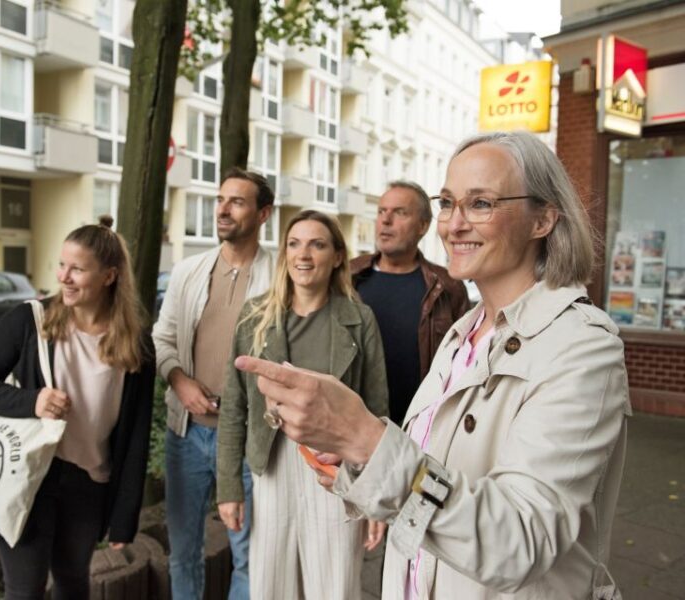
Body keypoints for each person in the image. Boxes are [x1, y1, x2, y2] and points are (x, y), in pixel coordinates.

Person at [233, 132, 631, 599]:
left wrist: (368, 440)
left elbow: (520, 541)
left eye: (480, 203)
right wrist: (358, 460)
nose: (454, 224)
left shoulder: (583, 347)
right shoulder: (465, 332)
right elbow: (437, 473)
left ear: (542, 219)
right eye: (447, 203)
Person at [0, 216, 154, 600]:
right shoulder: (29, 320)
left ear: (109, 276)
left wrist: (123, 516)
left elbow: (136, 436)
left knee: (73, 583)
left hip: (88, 485)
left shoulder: (136, 345)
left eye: (77, 269)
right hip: (28, 475)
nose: (64, 276)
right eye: (62, 264)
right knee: (25, 590)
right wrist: (31, 401)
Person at [217, 210, 390, 600]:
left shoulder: (359, 319)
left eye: (317, 244)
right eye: (294, 244)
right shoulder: (255, 317)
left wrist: (376, 495)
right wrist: (229, 487)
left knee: (335, 587)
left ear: (338, 256)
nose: (304, 254)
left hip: (336, 469)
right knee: (271, 587)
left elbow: (377, 412)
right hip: (272, 464)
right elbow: (234, 408)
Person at [152, 167, 275, 600]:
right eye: (220, 200)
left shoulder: (279, 277)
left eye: (236, 202)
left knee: (249, 557)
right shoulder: (188, 271)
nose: (223, 210)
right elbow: (162, 339)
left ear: (263, 213)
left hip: (246, 440)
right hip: (186, 434)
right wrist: (179, 381)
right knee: (183, 553)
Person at [352, 181, 469, 424]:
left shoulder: (447, 287)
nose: (386, 220)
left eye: (400, 212)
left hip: (421, 426)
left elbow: (464, 366)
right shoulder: (347, 278)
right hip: (355, 425)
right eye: (381, 211)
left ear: (423, 226)